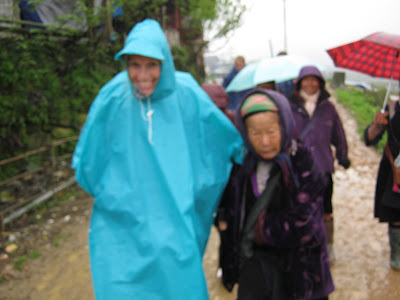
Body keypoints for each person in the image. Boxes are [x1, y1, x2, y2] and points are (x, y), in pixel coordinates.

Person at [72, 19, 243, 300]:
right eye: (135, 65)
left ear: (165, 62)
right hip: (125, 219)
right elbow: (89, 157)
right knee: (126, 285)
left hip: (175, 219)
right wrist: (115, 195)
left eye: (152, 64)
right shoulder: (113, 97)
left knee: (179, 283)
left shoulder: (185, 92)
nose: (143, 75)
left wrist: (239, 149)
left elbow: (216, 134)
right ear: (125, 64)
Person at [217, 88, 334, 299]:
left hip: (301, 271)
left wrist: (262, 228)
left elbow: (305, 223)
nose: (264, 142)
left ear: (285, 125)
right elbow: (230, 208)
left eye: (271, 132)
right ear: (244, 132)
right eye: (255, 133)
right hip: (257, 266)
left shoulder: (302, 162)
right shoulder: (242, 164)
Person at [287, 65, 351, 264]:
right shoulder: (289, 107)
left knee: (326, 210)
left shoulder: (328, 107)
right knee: (298, 208)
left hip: (323, 169)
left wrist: (343, 155)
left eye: (315, 80)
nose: (310, 84)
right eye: (306, 80)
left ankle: (328, 246)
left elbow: (338, 134)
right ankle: (301, 245)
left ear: (320, 84)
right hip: (297, 170)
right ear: (299, 83)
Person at [364, 96, 400, 270]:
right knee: (396, 216)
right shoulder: (391, 109)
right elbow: (370, 139)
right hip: (395, 170)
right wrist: (376, 125)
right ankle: (397, 254)